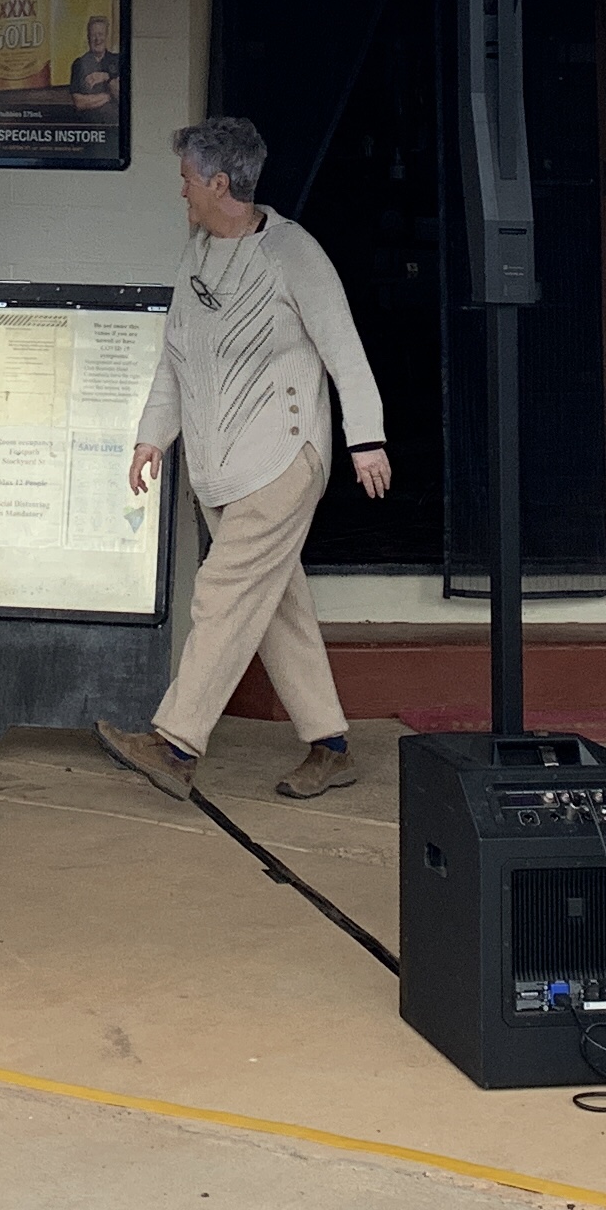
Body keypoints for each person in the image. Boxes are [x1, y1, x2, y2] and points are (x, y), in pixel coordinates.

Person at [98, 115, 391, 804]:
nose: (181, 191)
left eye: (187, 179)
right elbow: (175, 358)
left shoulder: (294, 254)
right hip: (219, 468)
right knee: (277, 606)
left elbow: (345, 350)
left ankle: (175, 745)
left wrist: (366, 439)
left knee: (223, 592)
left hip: (284, 457)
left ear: (220, 183)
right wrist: (151, 437)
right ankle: (331, 746)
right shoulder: (197, 255)